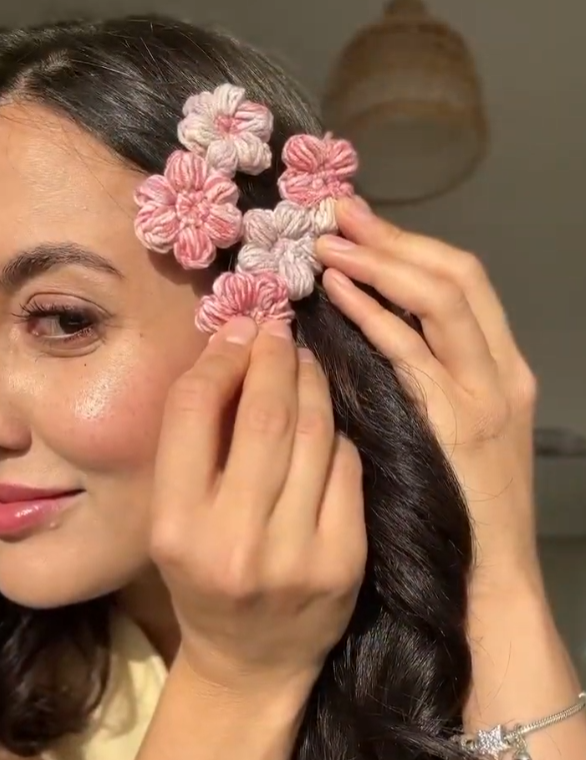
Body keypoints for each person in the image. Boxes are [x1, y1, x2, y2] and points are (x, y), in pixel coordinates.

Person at [0, 14, 583, 760]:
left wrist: (498, 574)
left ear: (274, 319)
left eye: (61, 319)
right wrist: (236, 683)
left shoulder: (419, 661)